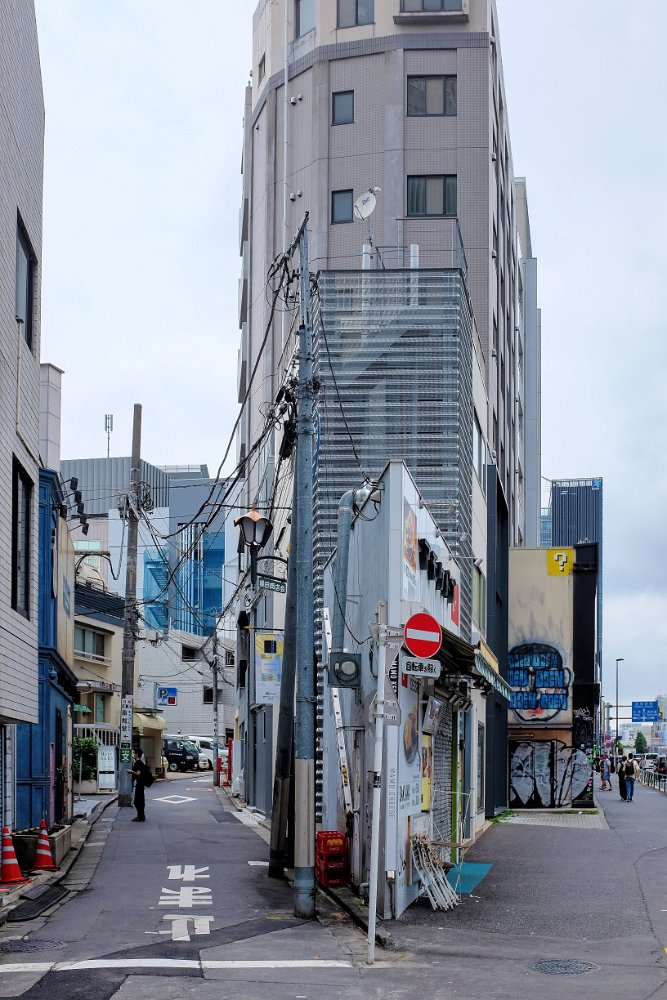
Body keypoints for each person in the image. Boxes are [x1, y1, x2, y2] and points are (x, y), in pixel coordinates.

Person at [127, 748, 149, 821]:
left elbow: (138, 773)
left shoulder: (138, 763)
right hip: (140, 784)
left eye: (134, 753)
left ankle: (140, 816)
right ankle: (141, 816)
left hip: (140, 784)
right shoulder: (139, 762)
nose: (133, 754)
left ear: (136, 754)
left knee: (137, 801)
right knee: (139, 800)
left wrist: (131, 772)